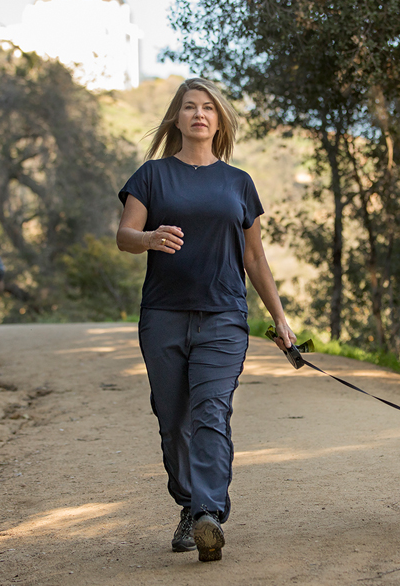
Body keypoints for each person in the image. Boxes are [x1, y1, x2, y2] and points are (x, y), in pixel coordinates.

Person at [116, 77, 296, 563]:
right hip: (163, 316)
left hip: (223, 316)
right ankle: (188, 504)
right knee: (172, 419)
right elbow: (124, 235)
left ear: (219, 120)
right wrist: (150, 238)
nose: (199, 114)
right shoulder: (152, 176)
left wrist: (279, 318)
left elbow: (255, 259)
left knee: (211, 411)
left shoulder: (238, 183)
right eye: (190, 107)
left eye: (208, 108)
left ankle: (207, 515)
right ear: (177, 117)